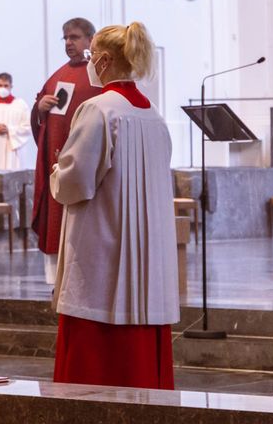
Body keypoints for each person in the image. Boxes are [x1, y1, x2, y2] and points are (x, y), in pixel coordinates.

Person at [50, 22, 178, 390]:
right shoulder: (152, 114)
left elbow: (76, 182)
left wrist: (58, 170)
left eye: (92, 57)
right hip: (146, 256)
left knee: (95, 366)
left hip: (102, 251)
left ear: (103, 60)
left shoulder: (99, 109)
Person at [31, 17, 99, 284]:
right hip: (56, 166)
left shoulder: (99, 74)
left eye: (75, 37)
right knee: (56, 221)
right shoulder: (58, 76)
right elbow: (40, 120)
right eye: (66, 38)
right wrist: (40, 109)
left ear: (90, 40)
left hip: (85, 169)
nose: (69, 43)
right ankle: (56, 285)